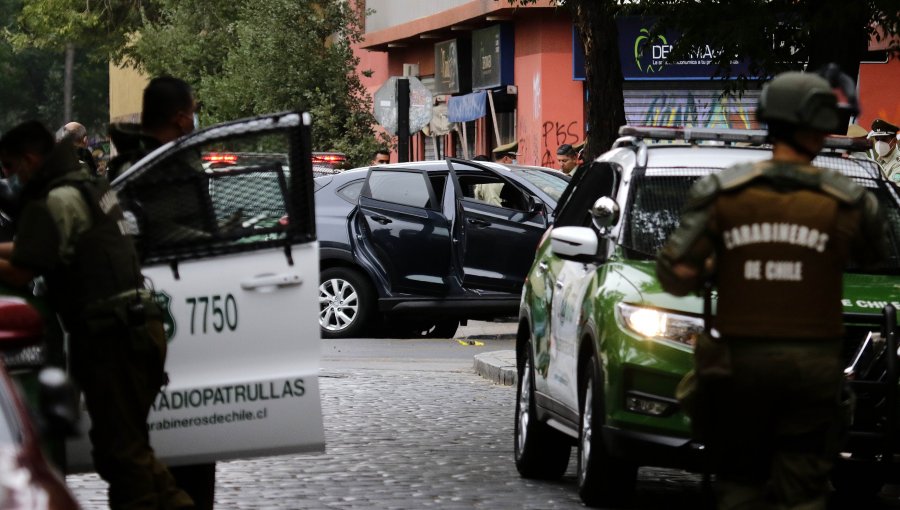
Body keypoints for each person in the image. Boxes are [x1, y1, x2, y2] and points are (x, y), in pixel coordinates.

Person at [656, 71, 886, 510]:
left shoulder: (724, 192)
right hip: (814, 370)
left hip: (739, 368)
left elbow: (675, 273)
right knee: (803, 493)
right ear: (818, 126)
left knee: (739, 485)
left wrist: (714, 266)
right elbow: (875, 257)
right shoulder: (848, 200)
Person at [0, 121, 194, 510]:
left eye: (10, 168)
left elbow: (24, 268)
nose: (10, 178)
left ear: (29, 159)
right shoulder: (84, 185)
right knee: (126, 450)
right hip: (133, 328)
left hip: (114, 335)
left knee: (123, 455)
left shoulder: (58, 199)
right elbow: (28, 247)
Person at [867, 118, 900, 182]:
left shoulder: (898, 164)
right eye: (877, 139)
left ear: (894, 141)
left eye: (884, 139)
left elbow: (891, 190)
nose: (879, 143)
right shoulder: (879, 160)